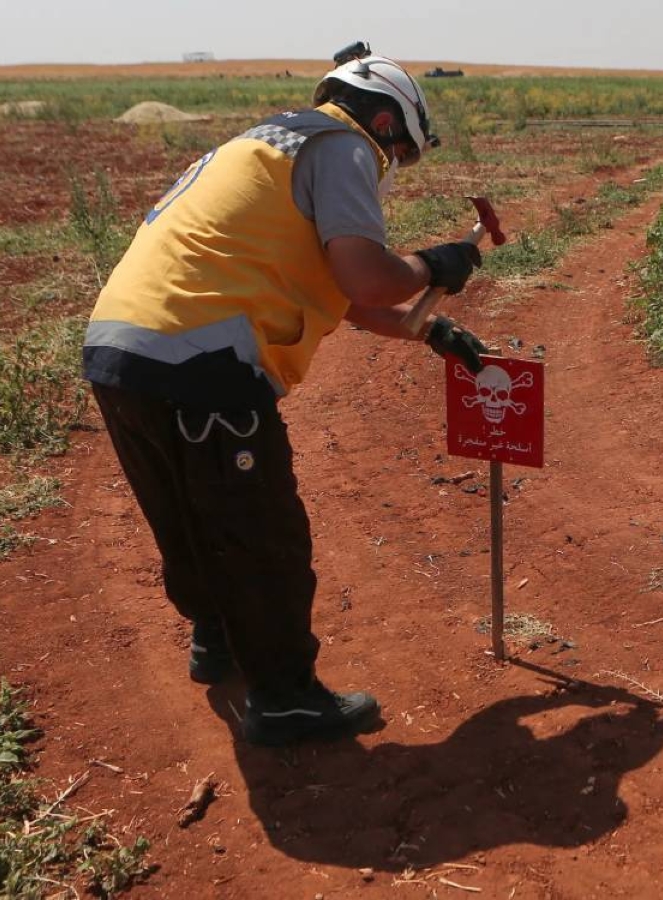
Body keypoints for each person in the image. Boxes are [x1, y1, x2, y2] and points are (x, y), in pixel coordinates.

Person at [82, 47, 488, 747]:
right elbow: (367, 278)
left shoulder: (269, 143)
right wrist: (438, 261)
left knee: (185, 512)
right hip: (201, 361)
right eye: (402, 153)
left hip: (121, 351)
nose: (393, 168)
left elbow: (353, 299)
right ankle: (285, 697)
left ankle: (216, 641)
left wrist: (431, 328)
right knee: (260, 531)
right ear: (386, 120)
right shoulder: (344, 145)